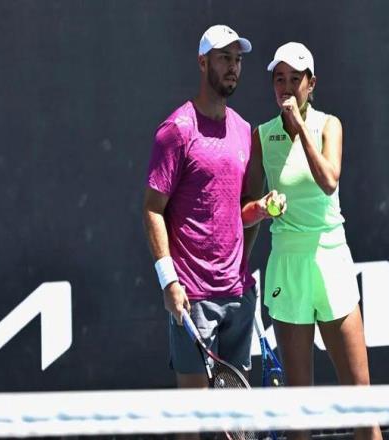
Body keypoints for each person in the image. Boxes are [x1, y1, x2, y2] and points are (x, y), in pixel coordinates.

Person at [242, 42, 383, 440]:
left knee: (362, 404)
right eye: (279, 79)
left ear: (311, 84)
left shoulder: (329, 126)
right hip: (288, 267)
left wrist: (300, 128)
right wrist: (261, 212)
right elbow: (247, 208)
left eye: (295, 79)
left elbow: (329, 180)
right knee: (297, 411)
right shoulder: (261, 137)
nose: (286, 87)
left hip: (331, 262)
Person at [143, 25, 272, 406]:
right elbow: (152, 209)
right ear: (203, 63)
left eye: (238, 59)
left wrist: (256, 221)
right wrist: (169, 282)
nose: (233, 67)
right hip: (192, 296)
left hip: (238, 293)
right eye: (223, 58)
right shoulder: (177, 131)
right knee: (194, 419)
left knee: (235, 420)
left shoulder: (244, 130)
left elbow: (241, 208)